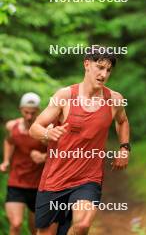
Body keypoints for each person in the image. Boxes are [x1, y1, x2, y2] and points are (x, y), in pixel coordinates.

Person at [29, 46, 130, 235]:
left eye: (108, 70)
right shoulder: (65, 96)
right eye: (100, 67)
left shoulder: (114, 100)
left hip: (88, 179)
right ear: (86, 64)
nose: (104, 74)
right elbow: (34, 128)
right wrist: (47, 134)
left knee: (82, 225)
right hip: (55, 179)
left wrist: (124, 148)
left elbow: (122, 121)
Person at [0, 92, 47, 235]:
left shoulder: (45, 129)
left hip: (38, 186)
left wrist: (43, 156)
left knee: (36, 229)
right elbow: (9, 142)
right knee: (16, 224)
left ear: (38, 111)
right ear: (21, 109)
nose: (29, 116)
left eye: (33, 113)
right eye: (26, 112)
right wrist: (6, 161)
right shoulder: (12, 126)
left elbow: (59, 152)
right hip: (17, 183)